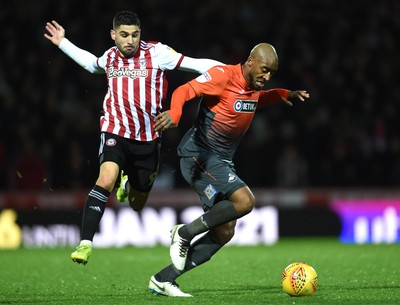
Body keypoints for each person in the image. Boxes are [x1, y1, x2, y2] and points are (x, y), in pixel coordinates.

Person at [44, 11, 223, 265]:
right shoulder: (110, 56)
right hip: (115, 130)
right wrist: (63, 42)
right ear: (113, 35)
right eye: (125, 35)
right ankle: (85, 243)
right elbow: (92, 64)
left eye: (135, 35)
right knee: (105, 178)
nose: (130, 40)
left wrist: (230, 72)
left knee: (137, 204)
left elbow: (195, 64)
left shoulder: (157, 53)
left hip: (148, 138)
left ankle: (127, 185)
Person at [149, 43, 309, 297]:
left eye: (272, 74)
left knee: (224, 230)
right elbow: (184, 89)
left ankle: (163, 279)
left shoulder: (254, 87)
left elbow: (255, 101)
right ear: (250, 62)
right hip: (198, 156)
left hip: (220, 161)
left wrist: (282, 94)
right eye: (265, 70)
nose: (267, 77)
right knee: (245, 201)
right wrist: (175, 114)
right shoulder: (223, 76)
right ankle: (184, 232)